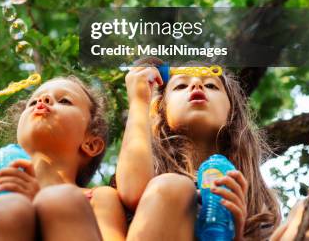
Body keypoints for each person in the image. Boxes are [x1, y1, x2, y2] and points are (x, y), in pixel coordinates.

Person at [0, 75, 127, 241]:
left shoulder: (98, 198)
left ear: (91, 144)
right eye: (33, 101)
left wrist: (42, 205)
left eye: (64, 101)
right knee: (4, 208)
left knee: (62, 198)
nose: (42, 100)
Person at [116, 61, 281, 240]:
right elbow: (133, 193)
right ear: (160, 111)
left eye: (211, 85)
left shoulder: (258, 205)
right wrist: (139, 102)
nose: (196, 84)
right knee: (172, 186)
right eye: (180, 85)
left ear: (233, 111)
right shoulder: (151, 178)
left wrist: (237, 235)